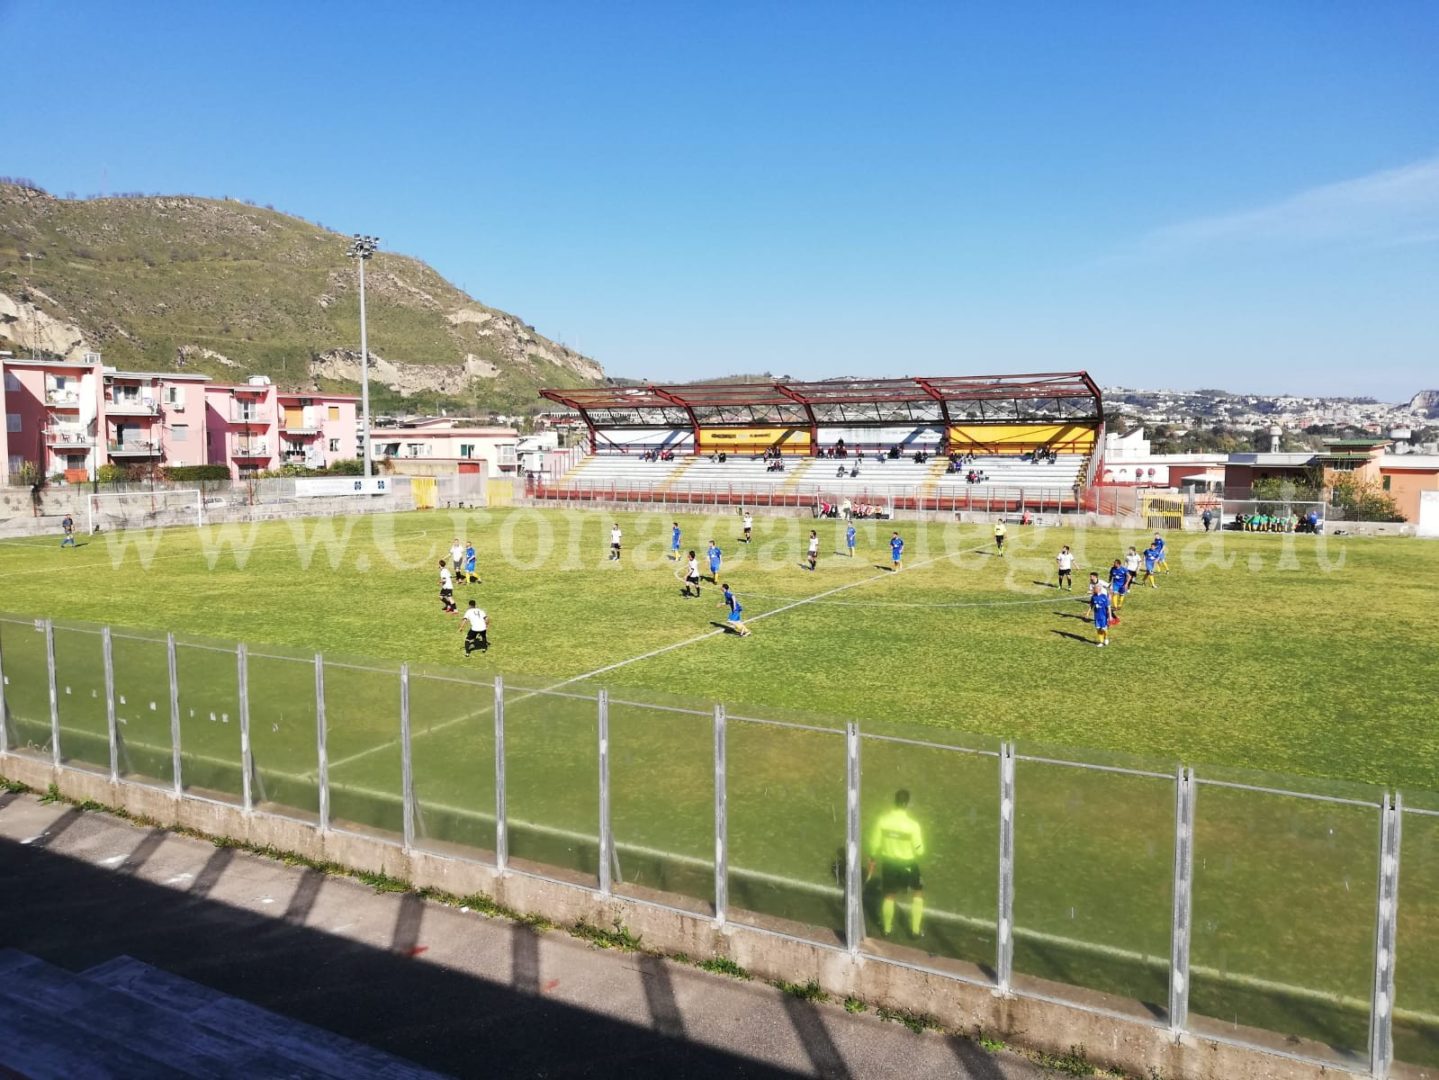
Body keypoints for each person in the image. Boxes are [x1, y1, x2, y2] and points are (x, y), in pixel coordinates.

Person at [867, 789, 925, 939]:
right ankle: (915, 931)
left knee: (889, 896)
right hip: (908, 864)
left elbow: (874, 844)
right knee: (917, 893)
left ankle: (886, 929)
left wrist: (872, 858)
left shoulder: (883, 821)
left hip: (890, 864)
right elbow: (920, 850)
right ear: (907, 803)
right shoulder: (913, 826)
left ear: (895, 801)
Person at [1091, 576, 1112, 648]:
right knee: (1098, 628)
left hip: (1103, 615)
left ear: (1099, 589)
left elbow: (1108, 607)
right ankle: (1101, 642)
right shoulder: (1093, 597)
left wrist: (1110, 616)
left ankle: (1106, 638)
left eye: (1095, 589)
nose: (1093, 589)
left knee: (1104, 629)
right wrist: (1088, 612)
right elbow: (1092, 605)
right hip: (1096, 616)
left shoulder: (1104, 597)